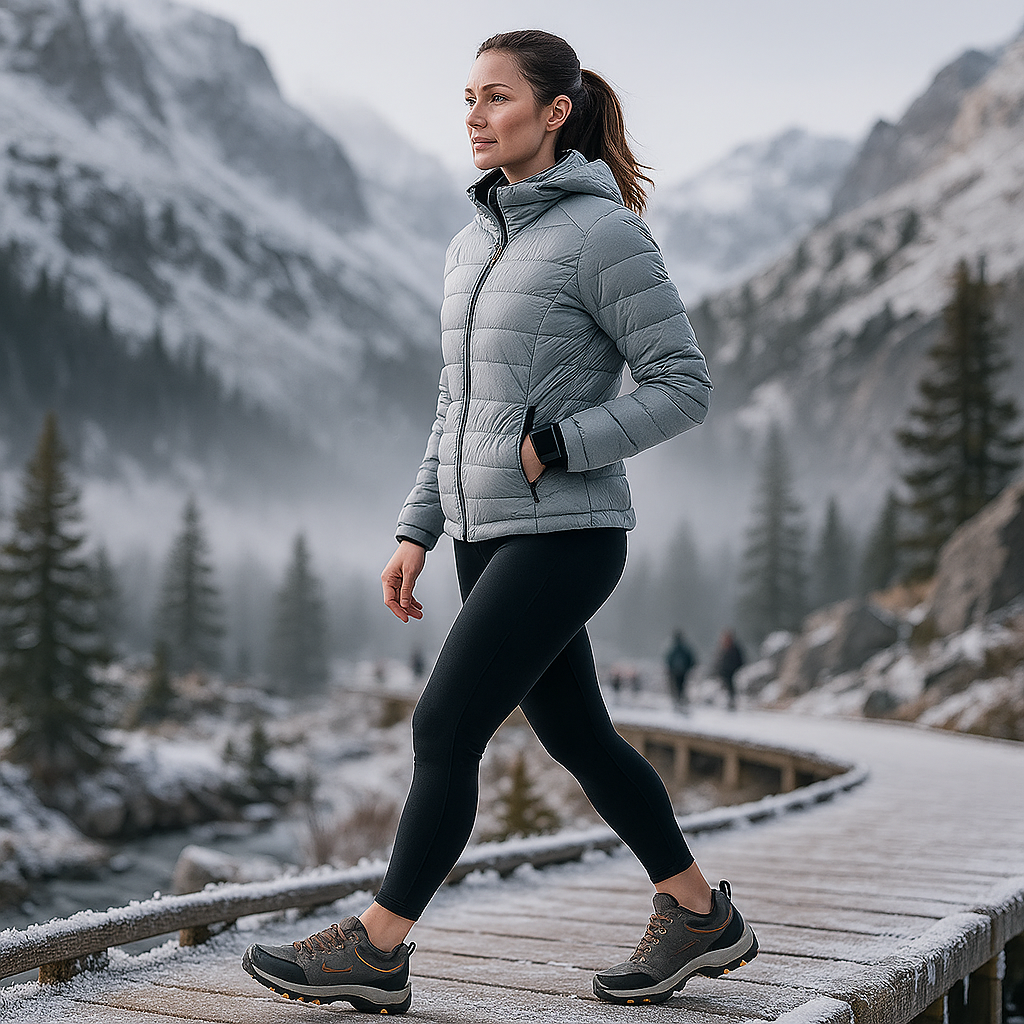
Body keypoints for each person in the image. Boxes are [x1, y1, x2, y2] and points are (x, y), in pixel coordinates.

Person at [242, 29, 757, 1014]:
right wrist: (416, 529)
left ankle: (380, 946)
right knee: (582, 739)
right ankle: (698, 913)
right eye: (466, 99)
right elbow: (456, 408)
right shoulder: (471, 243)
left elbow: (682, 386)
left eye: (496, 98)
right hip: (484, 535)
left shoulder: (605, 235)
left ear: (555, 111)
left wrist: (560, 444)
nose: (474, 117)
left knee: (442, 728)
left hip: (566, 536)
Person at [714, 630, 745, 710]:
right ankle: (728, 701)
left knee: (731, 688)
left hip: (733, 672)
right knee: (727, 688)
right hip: (725, 673)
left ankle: (731, 701)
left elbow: (740, 660)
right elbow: (718, 662)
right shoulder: (722, 649)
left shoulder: (734, 649)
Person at [665, 630, 697, 709]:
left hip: (675, 672)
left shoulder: (673, 649)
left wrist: (670, 669)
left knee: (676, 687)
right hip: (683, 672)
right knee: (682, 686)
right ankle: (681, 700)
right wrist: (689, 668)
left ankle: (677, 700)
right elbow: (691, 659)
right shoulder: (685, 648)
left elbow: (668, 659)